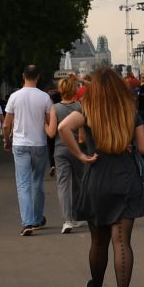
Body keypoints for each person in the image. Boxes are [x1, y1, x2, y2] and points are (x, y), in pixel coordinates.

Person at [53, 67, 144, 287]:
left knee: (99, 242)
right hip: (126, 178)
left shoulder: (87, 110)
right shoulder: (130, 112)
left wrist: (79, 155)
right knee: (122, 242)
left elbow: (63, 127)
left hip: (97, 177)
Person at [7, 66, 54, 235]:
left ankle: (27, 222)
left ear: (23, 76)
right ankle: (38, 218)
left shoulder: (14, 97)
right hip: (39, 143)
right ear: (38, 77)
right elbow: (49, 123)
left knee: (23, 184)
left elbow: (6, 123)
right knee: (37, 182)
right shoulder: (45, 98)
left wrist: (7, 139)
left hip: (20, 144)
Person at [51, 76, 83, 232]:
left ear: (60, 91)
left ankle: (67, 220)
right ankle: (77, 215)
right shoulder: (79, 106)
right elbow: (82, 134)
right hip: (77, 148)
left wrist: (44, 124)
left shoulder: (55, 108)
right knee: (78, 183)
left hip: (60, 148)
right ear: (74, 90)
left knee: (63, 184)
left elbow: (51, 133)